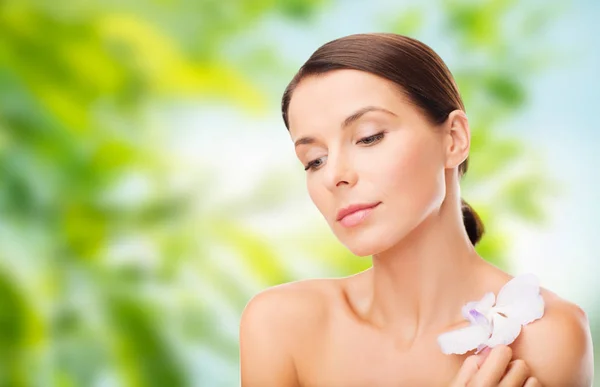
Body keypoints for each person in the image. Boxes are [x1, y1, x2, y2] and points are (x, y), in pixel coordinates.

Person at [239, 33, 594, 386]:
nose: (334, 176)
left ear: (454, 139)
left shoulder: (546, 339)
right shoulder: (282, 326)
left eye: (369, 137)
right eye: (314, 160)